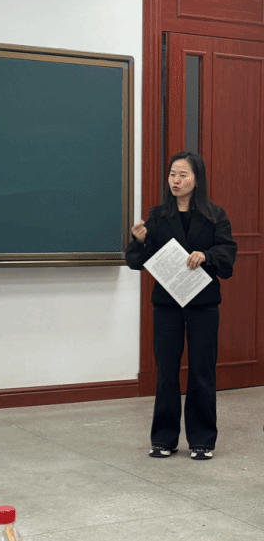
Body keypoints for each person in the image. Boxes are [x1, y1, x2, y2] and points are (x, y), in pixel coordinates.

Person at [126, 151, 237, 461]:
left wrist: (207, 256)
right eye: (172, 174)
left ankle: (202, 440)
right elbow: (137, 261)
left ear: (197, 180)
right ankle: (164, 438)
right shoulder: (158, 216)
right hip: (167, 305)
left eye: (183, 175)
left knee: (202, 371)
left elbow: (227, 255)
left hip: (203, 304)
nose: (175, 180)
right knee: (166, 372)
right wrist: (138, 241)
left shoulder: (215, 215)